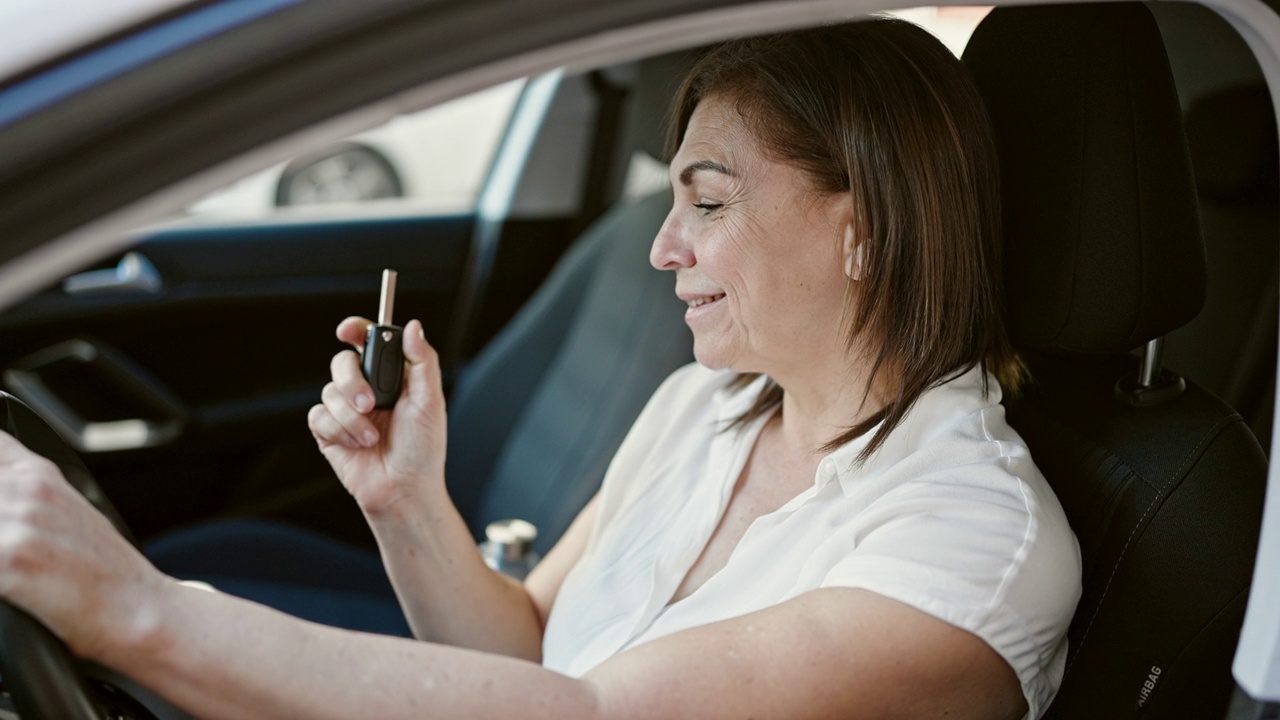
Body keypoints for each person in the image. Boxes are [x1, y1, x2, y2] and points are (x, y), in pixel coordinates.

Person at [0, 18, 1080, 720]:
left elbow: (587, 716)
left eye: (707, 202)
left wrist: (131, 606)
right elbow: (528, 657)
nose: (662, 248)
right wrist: (406, 501)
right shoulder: (701, 409)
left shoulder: (968, 548)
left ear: (866, 230)